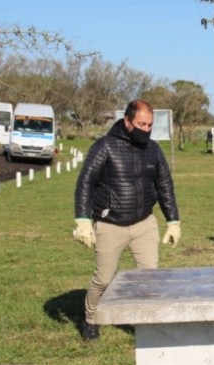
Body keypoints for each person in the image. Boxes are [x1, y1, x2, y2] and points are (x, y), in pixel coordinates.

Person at [73, 99, 181, 341]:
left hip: (144, 223)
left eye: (150, 125)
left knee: (150, 278)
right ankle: (91, 317)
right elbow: (85, 182)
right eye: (141, 124)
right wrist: (82, 219)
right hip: (110, 224)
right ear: (127, 122)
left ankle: (148, 326)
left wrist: (173, 220)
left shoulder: (153, 149)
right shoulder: (104, 146)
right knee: (104, 279)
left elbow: (165, 185)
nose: (146, 129)